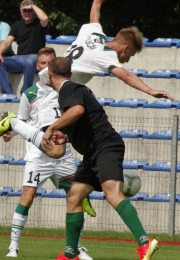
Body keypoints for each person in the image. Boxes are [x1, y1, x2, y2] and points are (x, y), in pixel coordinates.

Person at [41, 57, 159, 260]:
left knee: (112, 194)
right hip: (93, 151)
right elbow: (85, 119)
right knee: (74, 195)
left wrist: (53, 127)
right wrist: (67, 135)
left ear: (50, 74)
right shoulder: (72, 89)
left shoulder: (68, 89)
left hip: (105, 146)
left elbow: (78, 110)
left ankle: (145, 242)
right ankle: (71, 255)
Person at [0, 48, 94, 260]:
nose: (46, 67)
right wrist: (12, 133)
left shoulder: (66, 90)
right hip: (38, 156)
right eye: (42, 63)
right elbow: (23, 121)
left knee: (75, 196)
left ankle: (76, 247)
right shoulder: (29, 94)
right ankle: (13, 246)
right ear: (38, 66)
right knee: (28, 197)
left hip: (64, 155)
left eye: (49, 63)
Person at [38, 0, 173, 101]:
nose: (127, 60)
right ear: (125, 48)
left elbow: (96, 7)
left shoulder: (94, 34)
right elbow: (126, 76)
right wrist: (150, 91)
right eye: (129, 55)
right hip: (55, 94)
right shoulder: (105, 55)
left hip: (43, 82)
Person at [0, 0, 48, 95]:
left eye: (29, 10)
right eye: (24, 10)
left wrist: (33, 6)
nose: (27, 13)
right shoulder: (17, 25)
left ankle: (26, 93)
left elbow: (45, 18)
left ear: (34, 11)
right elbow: (7, 42)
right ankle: (7, 94)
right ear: (21, 12)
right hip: (19, 59)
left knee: (29, 60)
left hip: (35, 57)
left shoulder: (39, 23)